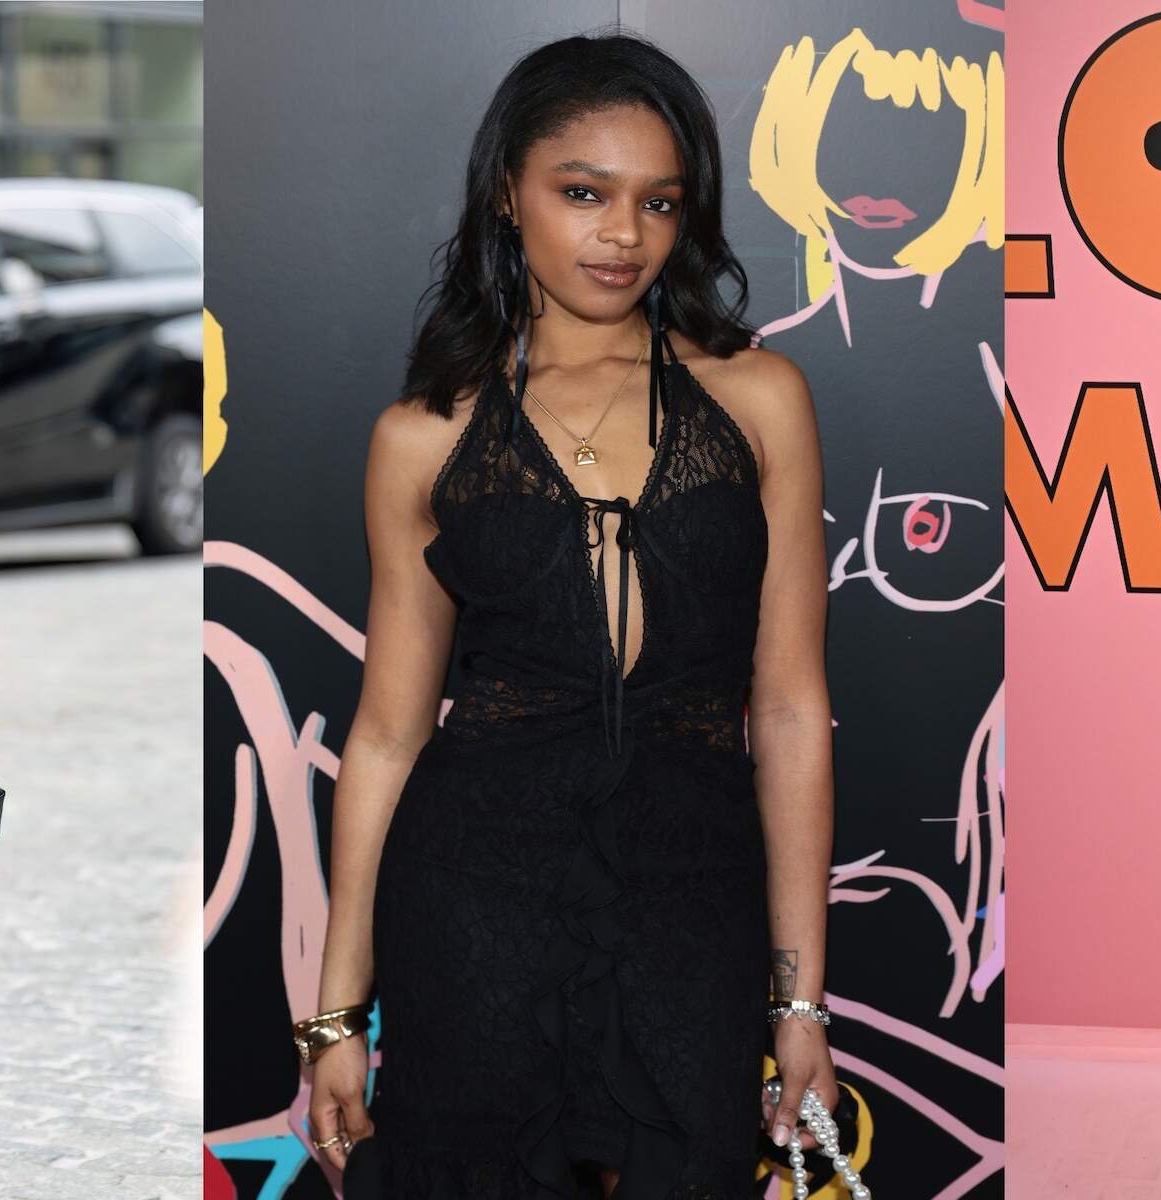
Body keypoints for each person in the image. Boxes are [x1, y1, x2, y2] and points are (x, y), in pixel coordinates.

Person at [299, 31, 844, 1198]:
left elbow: (791, 709)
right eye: (583, 193)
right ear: (508, 195)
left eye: (659, 202)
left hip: (691, 895)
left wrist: (798, 1001)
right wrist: (337, 1010)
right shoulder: (425, 434)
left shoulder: (758, 400)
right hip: (474, 896)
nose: (622, 234)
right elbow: (389, 733)